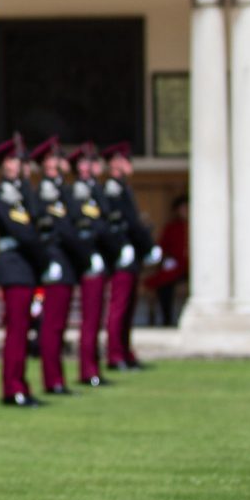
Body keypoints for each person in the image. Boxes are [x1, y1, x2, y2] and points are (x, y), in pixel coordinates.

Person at [0, 135, 46, 407]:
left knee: (24, 331)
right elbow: (21, 232)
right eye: (12, 160)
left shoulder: (24, 191)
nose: (18, 165)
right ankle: (12, 387)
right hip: (15, 266)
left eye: (21, 160)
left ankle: (20, 383)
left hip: (27, 266)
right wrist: (44, 256)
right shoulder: (5, 193)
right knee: (16, 331)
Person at [31, 137, 77, 395]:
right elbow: (62, 230)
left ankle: (57, 378)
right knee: (53, 324)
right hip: (57, 259)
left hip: (66, 261)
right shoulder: (49, 191)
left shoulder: (61, 188)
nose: (63, 162)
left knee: (59, 324)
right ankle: (53, 380)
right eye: (57, 157)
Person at [65, 144, 112, 388]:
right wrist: (89, 254)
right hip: (88, 258)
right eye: (85, 162)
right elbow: (85, 227)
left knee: (96, 318)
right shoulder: (78, 191)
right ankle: (88, 369)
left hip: (99, 256)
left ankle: (94, 367)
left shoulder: (95, 189)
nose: (91, 167)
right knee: (90, 319)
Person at [99, 142, 149, 371]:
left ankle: (125, 352)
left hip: (131, 253)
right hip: (120, 255)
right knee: (118, 307)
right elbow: (118, 225)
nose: (130, 165)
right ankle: (115, 354)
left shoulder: (123, 187)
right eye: (126, 160)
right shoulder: (112, 189)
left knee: (128, 306)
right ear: (116, 163)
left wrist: (145, 246)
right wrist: (123, 247)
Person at [148, 195, 189, 326]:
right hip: (177, 266)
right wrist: (167, 260)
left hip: (193, 268)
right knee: (164, 285)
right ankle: (167, 319)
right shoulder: (172, 227)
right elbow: (163, 247)